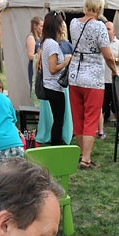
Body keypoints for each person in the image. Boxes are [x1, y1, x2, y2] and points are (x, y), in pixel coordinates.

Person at [67, 0, 118, 169]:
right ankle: (86, 158)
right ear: (99, 7)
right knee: (91, 118)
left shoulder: (73, 24)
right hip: (93, 78)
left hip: (75, 76)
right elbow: (108, 55)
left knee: (78, 117)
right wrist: (114, 70)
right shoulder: (99, 27)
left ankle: (82, 153)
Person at [39, 10, 73, 146]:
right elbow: (53, 69)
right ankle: (56, 144)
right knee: (59, 119)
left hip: (49, 86)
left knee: (57, 119)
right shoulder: (52, 44)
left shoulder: (45, 43)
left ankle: (57, 142)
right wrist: (66, 61)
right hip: (54, 87)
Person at [98, 21, 119, 139]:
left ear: (114, 31)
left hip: (114, 80)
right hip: (102, 81)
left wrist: (112, 59)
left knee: (117, 106)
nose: (106, 31)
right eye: (105, 28)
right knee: (102, 106)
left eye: (109, 29)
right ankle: (100, 130)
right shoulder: (99, 43)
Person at [27, 15, 43, 89]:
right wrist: (40, 56)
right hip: (34, 67)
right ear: (35, 26)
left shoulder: (40, 38)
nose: (42, 28)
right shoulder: (31, 38)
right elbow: (30, 56)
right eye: (41, 26)